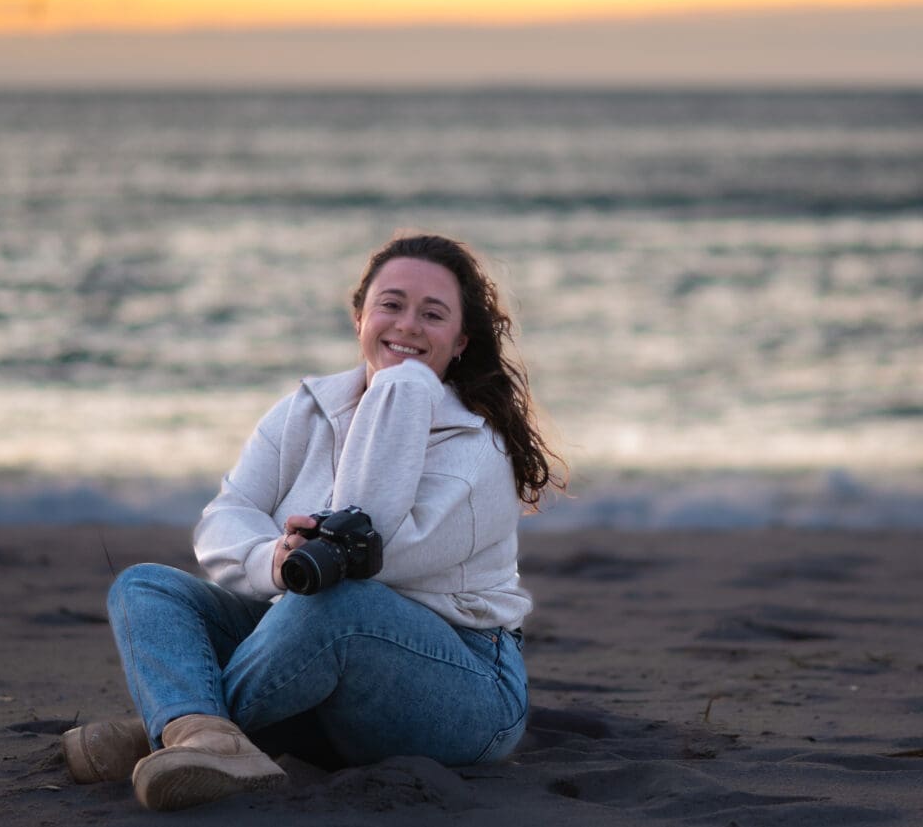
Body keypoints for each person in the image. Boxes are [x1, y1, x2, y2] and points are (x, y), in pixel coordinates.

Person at [61, 233, 562, 810]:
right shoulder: (308, 407)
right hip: (313, 673)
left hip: (465, 690)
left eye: (433, 314)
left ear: (461, 341)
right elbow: (227, 514)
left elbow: (365, 562)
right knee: (146, 586)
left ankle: (171, 726)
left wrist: (405, 386)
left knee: (337, 604)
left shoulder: (478, 448)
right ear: (359, 318)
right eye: (391, 305)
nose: (409, 325)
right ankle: (200, 733)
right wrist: (271, 559)